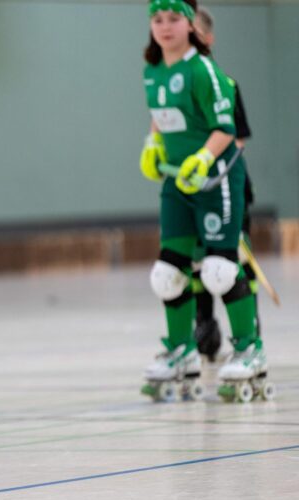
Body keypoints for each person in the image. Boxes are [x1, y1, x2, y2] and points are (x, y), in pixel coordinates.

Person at [138, 0, 270, 403]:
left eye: (174, 18)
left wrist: (203, 158)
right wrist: (152, 143)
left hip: (217, 180)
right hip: (177, 182)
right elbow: (161, 114)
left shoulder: (204, 70)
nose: (165, 26)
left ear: (190, 24)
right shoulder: (153, 70)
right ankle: (182, 351)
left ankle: (249, 349)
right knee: (167, 274)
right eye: (157, 19)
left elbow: (226, 128)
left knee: (219, 269)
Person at [190, 6, 261, 361]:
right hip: (192, 190)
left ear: (208, 39)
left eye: (193, 34)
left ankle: (250, 331)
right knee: (196, 261)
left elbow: (237, 139)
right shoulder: (176, 86)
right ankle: (204, 324)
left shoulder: (225, 84)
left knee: (232, 261)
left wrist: (208, 159)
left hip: (226, 186)